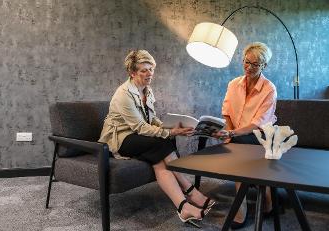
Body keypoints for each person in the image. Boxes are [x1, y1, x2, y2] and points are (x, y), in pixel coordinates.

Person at [99, 50, 215, 227]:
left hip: (137, 135)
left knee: (160, 158)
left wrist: (172, 126)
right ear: (132, 73)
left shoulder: (147, 90)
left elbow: (151, 119)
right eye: (144, 70)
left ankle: (183, 207)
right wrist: (170, 133)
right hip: (120, 138)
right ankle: (191, 191)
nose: (149, 74)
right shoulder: (123, 94)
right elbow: (140, 127)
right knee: (163, 142)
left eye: (151, 69)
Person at [215, 42, 277, 229]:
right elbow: (226, 111)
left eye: (255, 64)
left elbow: (258, 123)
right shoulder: (234, 84)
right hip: (238, 134)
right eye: (246, 62)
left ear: (264, 66)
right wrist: (228, 131)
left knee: (239, 144)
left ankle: (242, 205)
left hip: (261, 134)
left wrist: (232, 133)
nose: (249, 67)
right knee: (237, 143)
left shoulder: (269, 89)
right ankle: (264, 200)